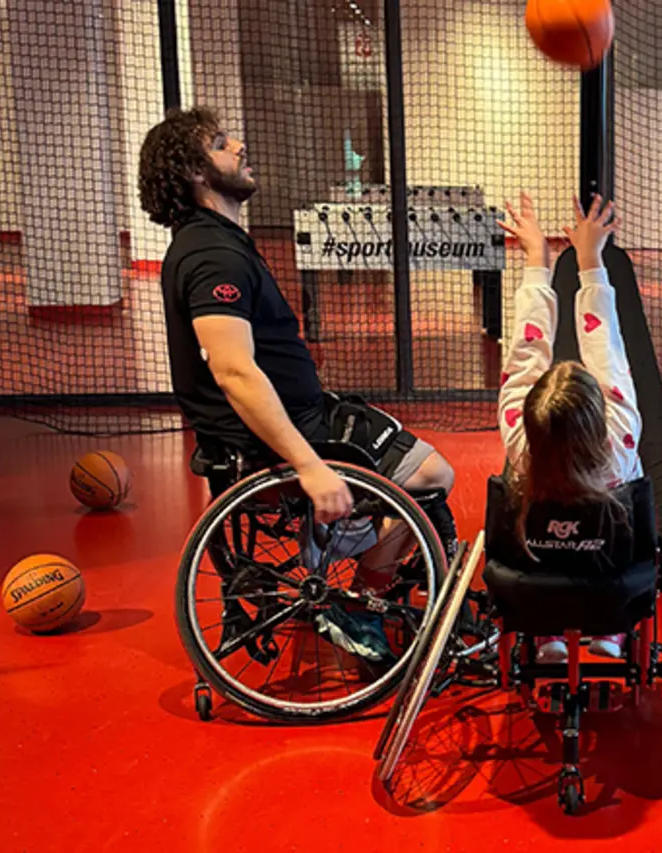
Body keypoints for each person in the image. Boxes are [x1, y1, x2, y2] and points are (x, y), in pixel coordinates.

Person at [138, 106, 456, 662]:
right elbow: (234, 371)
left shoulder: (210, 240)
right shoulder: (211, 255)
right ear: (194, 172)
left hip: (293, 415)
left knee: (394, 446)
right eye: (219, 143)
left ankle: (352, 540)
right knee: (432, 475)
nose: (238, 145)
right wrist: (310, 466)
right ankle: (360, 599)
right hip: (280, 436)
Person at [495, 191, 641, 664]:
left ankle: (545, 630)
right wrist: (590, 261)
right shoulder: (620, 439)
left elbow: (525, 350)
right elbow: (606, 345)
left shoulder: (520, 440)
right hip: (609, 580)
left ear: (530, 415)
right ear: (601, 412)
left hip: (535, 584)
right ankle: (609, 630)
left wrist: (537, 259)